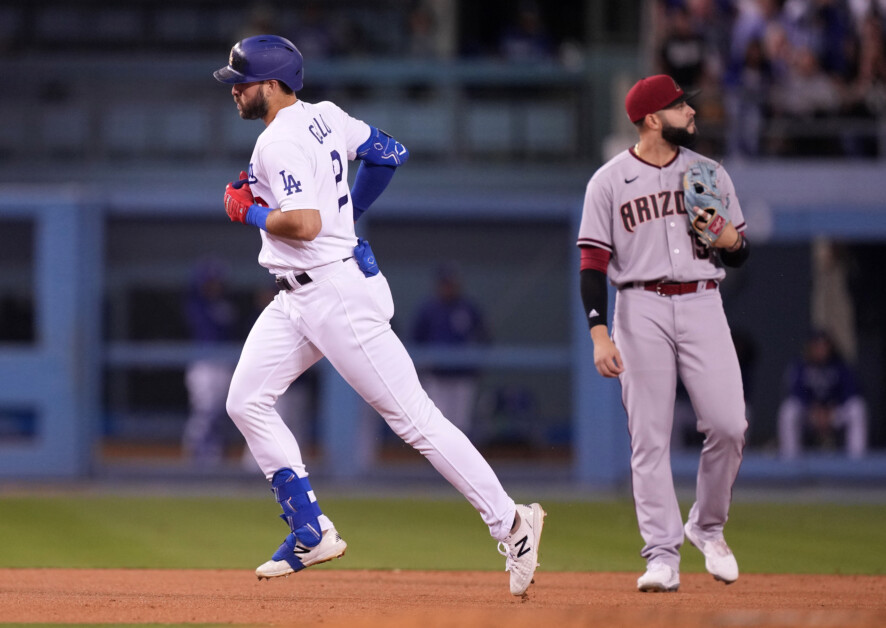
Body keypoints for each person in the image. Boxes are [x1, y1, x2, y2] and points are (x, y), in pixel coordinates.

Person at [212, 34, 543, 596]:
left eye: (242, 82)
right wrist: (350, 218)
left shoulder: (279, 142)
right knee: (245, 400)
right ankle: (310, 531)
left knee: (416, 420)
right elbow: (389, 152)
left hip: (333, 293)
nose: (235, 90)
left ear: (271, 85)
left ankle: (512, 523)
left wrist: (249, 211)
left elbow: (307, 225)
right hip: (300, 293)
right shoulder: (326, 116)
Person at [576, 74, 750, 593]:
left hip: (702, 300)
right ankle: (661, 555)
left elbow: (739, 252)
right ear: (653, 119)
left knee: (729, 425)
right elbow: (592, 262)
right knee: (648, 438)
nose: (691, 113)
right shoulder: (608, 181)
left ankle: (707, 526)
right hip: (640, 306)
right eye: (680, 107)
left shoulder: (710, 172)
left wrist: (726, 237)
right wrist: (598, 332)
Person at [411, 264, 489, 436]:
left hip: (463, 376)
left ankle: (459, 462)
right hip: (435, 376)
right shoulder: (428, 310)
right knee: (436, 423)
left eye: (451, 283)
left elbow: (484, 338)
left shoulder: (468, 308)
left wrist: (476, 366)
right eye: (445, 283)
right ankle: (437, 463)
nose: (448, 287)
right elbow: (416, 340)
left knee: (461, 423)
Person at [181, 259, 239, 465]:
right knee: (204, 410)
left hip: (224, 364)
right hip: (203, 364)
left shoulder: (226, 305)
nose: (214, 285)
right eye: (209, 281)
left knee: (221, 411)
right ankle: (194, 451)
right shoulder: (195, 304)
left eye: (216, 281)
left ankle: (213, 453)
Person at [777, 330, 868, 460]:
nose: (821, 350)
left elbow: (851, 392)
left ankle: (856, 460)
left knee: (857, 408)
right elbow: (795, 392)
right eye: (817, 346)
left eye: (824, 346)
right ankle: (790, 458)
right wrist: (813, 409)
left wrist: (831, 410)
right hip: (810, 414)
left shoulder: (841, 366)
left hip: (834, 413)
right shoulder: (800, 366)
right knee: (789, 410)